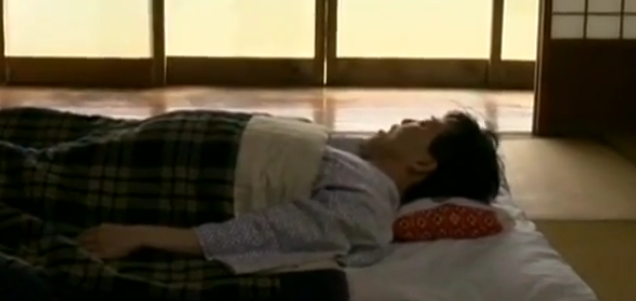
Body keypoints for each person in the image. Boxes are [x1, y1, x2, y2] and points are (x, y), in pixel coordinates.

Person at [80, 110, 503, 273]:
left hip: (187, 166)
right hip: (173, 136)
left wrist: (141, 234)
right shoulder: (359, 154)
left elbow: (262, 233)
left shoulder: (366, 206)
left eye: (424, 125)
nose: (408, 120)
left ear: (423, 164)